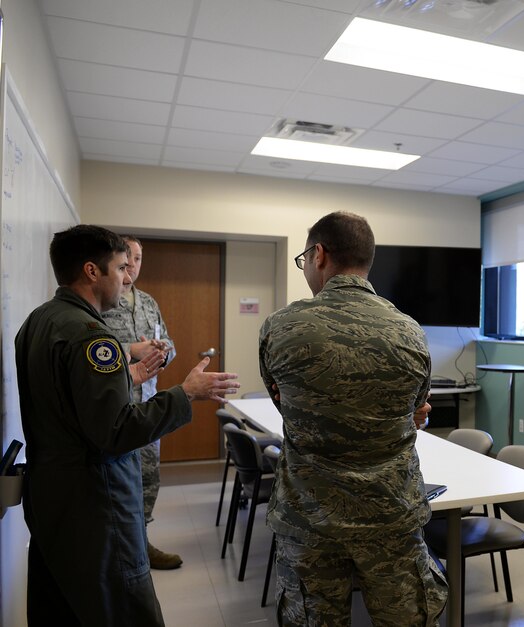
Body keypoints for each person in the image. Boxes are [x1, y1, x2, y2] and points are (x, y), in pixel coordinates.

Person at [15, 225, 238, 626]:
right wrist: (185, 394)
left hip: (51, 496)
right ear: (92, 271)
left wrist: (127, 376)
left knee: (63, 606)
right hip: (96, 502)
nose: (126, 277)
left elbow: (66, 402)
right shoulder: (92, 338)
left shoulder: (38, 321)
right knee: (125, 608)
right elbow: (115, 432)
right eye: (120, 267)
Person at [258, 211, 447, 626]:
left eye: (304, 260)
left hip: (311, 517)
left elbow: (285, 406)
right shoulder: (410, 331)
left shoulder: (281, 327)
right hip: (391, 515)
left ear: (319, 254)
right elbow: (416, 412)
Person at [101, 235, 182, 570]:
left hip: (147, 406)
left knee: (148, 477)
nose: (133, 265)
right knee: (115, 481)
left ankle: (141, 543)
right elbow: (92, 351)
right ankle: (116, 552)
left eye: (138, 258)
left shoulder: (148, 302)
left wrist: (163, 352)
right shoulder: (102, 300)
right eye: (128, 258)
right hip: (114, 407)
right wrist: (131, 350)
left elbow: (168, 343)